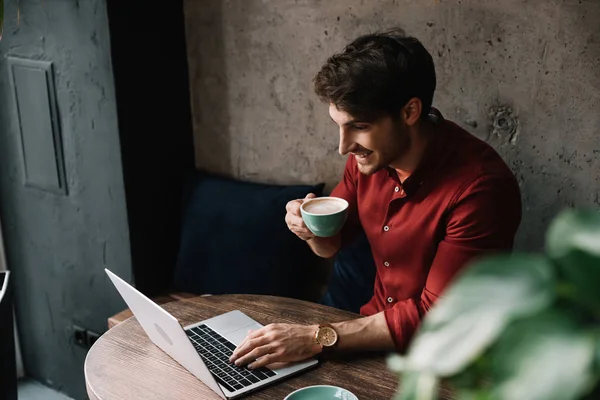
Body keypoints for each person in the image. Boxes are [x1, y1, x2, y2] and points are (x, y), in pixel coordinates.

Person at [229, 28, 521, 369]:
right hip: (369, 343)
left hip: (448, 363)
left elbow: (436, 316)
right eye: (338, 126)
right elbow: (333, 242)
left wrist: (315, 338)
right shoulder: (367, 159)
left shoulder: (481, 189)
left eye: (359, 126)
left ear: (410, 111)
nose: (344, 147)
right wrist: (310, 228)